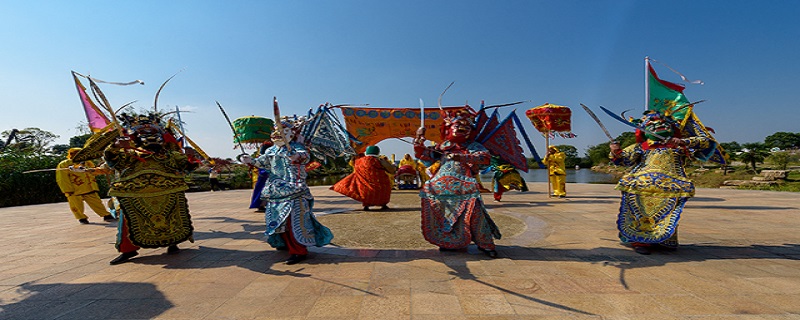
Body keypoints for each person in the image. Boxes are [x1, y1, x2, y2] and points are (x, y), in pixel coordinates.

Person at [609, 110, 714, 255]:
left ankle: (665, 240)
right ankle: (640, 241)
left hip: (672, 184)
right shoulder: (642, 147)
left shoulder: (678, 146)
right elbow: (624, 160)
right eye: (651, 124)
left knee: (668, 213)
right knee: (640, 213)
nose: (658, 125)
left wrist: (683, 141)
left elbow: (706, 143)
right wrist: (615, 151)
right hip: (641, 184)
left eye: (663, 123)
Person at [104, 113, 199, 265]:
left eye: (154, 134)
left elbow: (187, 167)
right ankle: (128, 250)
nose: (151, 137)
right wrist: (115, 146)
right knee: (128, 220)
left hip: (167, 191)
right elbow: (113, 161)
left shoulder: (170, 155)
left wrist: (191, 157)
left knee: (171, 217)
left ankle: (172, 243)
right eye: (145, 134)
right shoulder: (131, 154)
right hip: (134, 193)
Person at [243, 119, 333, 265]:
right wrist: (250, 160)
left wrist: (297, 157)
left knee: (295, 222)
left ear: (291, 133)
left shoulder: (296, 147)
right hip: (275, 191)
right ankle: (285, 244)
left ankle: (299, 250)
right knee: (278, 221)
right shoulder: (272, 150)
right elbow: (263, 162)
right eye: (276, 131)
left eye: (283, 131)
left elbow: (304, 156)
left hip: (294, 190)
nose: (278, 134)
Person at [414, 109, 501, 258]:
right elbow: (426, 158)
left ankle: (485, 243)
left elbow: (484, 158)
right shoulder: (442, 146)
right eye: (458, 125)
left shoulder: (472, 146)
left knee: (475, 214)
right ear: (448, 128)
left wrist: (461, 157)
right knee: (444, 216)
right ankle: (449, 242)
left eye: (467, 126)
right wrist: (418, 140)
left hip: (465, 187)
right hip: (440, 188)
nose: (463, 128)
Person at [55, 147, 116, 224]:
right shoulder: (64, 164)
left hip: (89, 187)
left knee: (97, 202)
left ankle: (105, 215)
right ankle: (81, 218)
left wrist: (93, 185)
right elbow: (62, 178)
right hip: (74, 189)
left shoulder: (87, 162)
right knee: (76, 205)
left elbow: (93, 173)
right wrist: (67, 190)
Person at [331, 145, 397, 210]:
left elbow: (353, 161)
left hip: (365, 185)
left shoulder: (359, 160)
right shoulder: (379, 160)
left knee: (365, 190)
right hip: (380, 183)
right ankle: (383, 204)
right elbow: (391, 170)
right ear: (378, 152)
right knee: (384, 188)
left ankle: (366, 205)